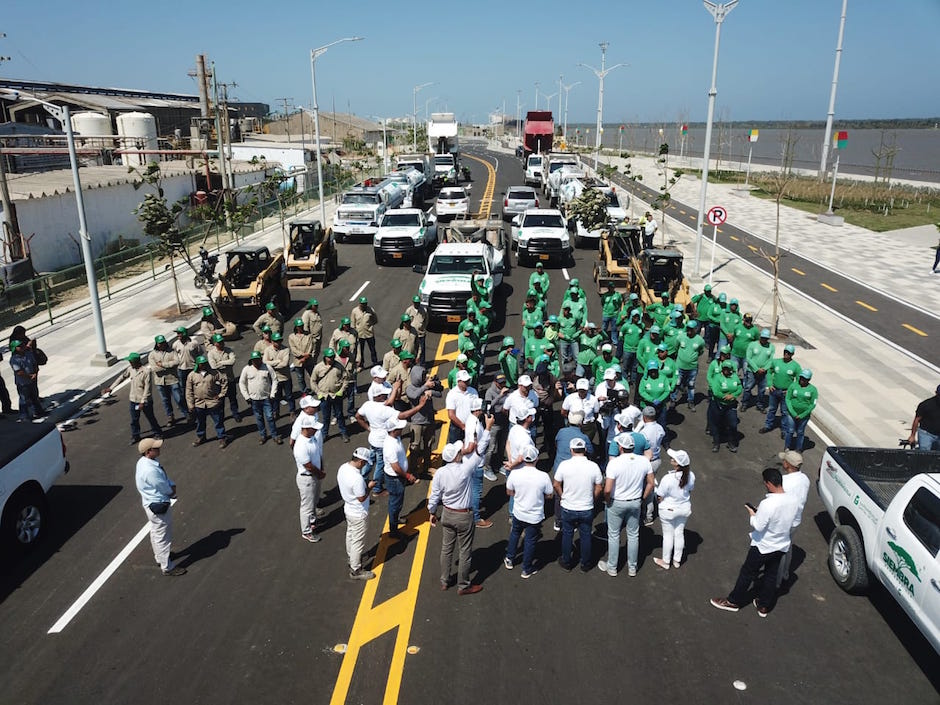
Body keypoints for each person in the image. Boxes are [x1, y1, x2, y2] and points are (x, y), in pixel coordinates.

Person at [710, 468, 800, 617]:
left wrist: (752, 514)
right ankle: (763, 605)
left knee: (747, 573)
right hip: (781, 545)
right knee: (771, 575)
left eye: (765, 483)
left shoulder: (768, 503)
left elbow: (758, 525)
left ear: (769, 483)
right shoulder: (794, 500)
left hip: (763, 546)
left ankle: (733, 601)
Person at [428, 441, 485, 595]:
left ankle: (444, 581)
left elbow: (434, 496)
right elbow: (480, 451)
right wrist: (486, 429)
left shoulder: (440, 473)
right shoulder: (465, 469)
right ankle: (463, 585)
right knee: (465, 551)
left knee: (446, 548)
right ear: (456, 456)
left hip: (447, 513)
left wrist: (432, 512)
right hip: (464, 515)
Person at [598, 432, 654, 577]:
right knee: (634, 534)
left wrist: (607, 500)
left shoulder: (614, 463)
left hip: (617, 502)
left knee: (614, 535)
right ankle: (632, 567)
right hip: (635, 501)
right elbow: (651, 483)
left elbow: (608, 489)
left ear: (620, 447)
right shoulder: (644, 461)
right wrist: (643, 497)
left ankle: (612, 567)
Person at [134, 438, 185, 576]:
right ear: (148, 451)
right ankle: (167, 566)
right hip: (158, 504)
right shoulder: (150, 470)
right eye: (155, 448)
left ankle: (160, 557)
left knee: (156, 532)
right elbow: (162, 486)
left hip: (150, 502)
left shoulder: (143, 463)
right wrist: (172, 491)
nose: (159, 449)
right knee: (163, 536)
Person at [553, 437, 603, 573]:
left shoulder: (564, 465)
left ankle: (566, 561)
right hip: (586, 507)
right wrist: (592, 499)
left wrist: (563, 495)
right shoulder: (593, 466)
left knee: (567, 534)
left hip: (568, 507)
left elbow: (556, 484)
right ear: (585, 450)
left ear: (571, 450)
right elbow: (599, 487)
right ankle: (585, 564)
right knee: (586, 535)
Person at [504, 445, 553, 579]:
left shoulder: (515, 473)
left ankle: (509, 558)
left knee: (515, 534)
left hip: (519, 512)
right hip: (534, 515)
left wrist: (520, 495)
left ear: (524, 459)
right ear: (536, 459)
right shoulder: (543, 476)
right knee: (530, 541)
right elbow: (549, 495)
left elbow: (509, 492)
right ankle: (526, 569)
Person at [104, 352, 162, 444]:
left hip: (144, 401)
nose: (129, 363)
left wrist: (142, 402)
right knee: (134, 420)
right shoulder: (130, 369)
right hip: (133, 400)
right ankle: (136, 435)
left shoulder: (146, 372)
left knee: (150, 417)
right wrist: (111, 388)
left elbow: (147, 388)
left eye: (130, 361)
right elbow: (121, 377)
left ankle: (158, 433)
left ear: (135, 361)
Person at [653, 448, 695, 570]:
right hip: (684, 509)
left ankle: (666, 561)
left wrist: (659, 500)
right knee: (679, 533)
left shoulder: (668, 478)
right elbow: (690, 489)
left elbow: (660, 494)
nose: (671, 459)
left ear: (677, 464)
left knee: (668, 536)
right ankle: (677, 560)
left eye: (674, 459)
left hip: (668, 510)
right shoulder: (691, 476)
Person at [338, 448, 377, 580]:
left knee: (350, 535)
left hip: (348, 508)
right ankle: (356, 569)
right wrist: (370, 487)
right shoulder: (357, 478)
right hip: (358, 513)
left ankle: (351, 557)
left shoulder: (343, 468)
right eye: (365, 463)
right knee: (358, 541)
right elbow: (361, 497)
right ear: (360, 461)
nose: (365, 465)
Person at [777, 450, 809, 586]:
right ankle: (785, 573)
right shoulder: (805, 479)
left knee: (778, 552)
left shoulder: (784, 481)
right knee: (788, 546)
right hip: (796, 520)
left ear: (787, 464)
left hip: (784, 521)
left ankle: (776, 581)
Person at [384, 417, 420, 540]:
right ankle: (393, 530)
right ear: (393, 430)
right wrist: (408, 476)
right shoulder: (390, 446)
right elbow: (395, 467)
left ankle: (395, 520)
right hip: (395, 479)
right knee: (395, 504)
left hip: (397, 478)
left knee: (396, 503)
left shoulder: (396, 438)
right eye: (399, 428)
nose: (402, 429)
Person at [405, 363, 443, 477]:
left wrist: (431, 391)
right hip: (417, 422)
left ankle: (427, 466)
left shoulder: (426, 385)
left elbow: (439, 393)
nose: (425, 377)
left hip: (429, 420)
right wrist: (425, 387)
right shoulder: (410, 388)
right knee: (415, 447)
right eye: (422, 375)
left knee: (429, 444)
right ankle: (412, 470)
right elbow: (414, 396)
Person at [293, 414, 326, 543]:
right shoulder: (301, 445)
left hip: (315, 476)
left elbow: (318, 454)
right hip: (307, 478)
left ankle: (312, 521)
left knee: (313, 502)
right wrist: (320, 474)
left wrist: (321, 469)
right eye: (314, 428)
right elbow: (308, 466)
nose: (317, 430)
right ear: (306, 428)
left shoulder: (312, 438)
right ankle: (306, 531)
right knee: (307, 506)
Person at [185, 355, 229, 449]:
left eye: (205, 363)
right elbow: (189, 391)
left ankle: (221, 437)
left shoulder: (214, 373)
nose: (203, 365)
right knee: (200, 422)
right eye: (201, 364)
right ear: (198, 364)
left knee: (218, 421)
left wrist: (221, 394)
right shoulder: (192, 375)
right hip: (199, 403)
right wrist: (190, 404)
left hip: (212, 402)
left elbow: (224, 381)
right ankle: (201, 437)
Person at [238, 350, 280, 445]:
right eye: (254, 360)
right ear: (251, 360)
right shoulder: (246, 369)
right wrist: (246, 396)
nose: (256, 362)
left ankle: (275, 435)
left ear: (261, 359)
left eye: (258, 360)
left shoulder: (267, 367)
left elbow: (274, 379)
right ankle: (263, 435)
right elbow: (241, 383)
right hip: (254, 400)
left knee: (270, 417)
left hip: (266, 398)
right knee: (259, 418)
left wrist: (273, 393)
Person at [310, 348, 350, 442]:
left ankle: (343, 432)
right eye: (329, 357)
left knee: (339, 415)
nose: (331, 359)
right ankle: (324, 434)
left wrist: (341, 390)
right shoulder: (318, 367)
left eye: (332, 357)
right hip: (324, 396)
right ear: (325, 357)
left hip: (336, 395)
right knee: (325, 416)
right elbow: (313, 381)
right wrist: (318, 392)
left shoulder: (339, 366)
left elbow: (346, 378)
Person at [761, 344, 801, 435]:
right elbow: (769, 372)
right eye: (785, 352)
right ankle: (768, 425)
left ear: (792, 354)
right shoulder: (776, 362)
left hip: (786, 393)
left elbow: (798, 380)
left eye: (789, 353)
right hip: (774, 390)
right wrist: (770, 384)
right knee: (772, 409)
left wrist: (791, 390)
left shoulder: (796, 366)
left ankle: (784, 430)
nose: (786, 354)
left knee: (784, 412)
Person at [708, 361, 742, 453]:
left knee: (733, 424)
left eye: (728, 368)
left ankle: (730, 442)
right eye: (725, 368)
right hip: (718, 404)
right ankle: (716, 443)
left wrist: (733, 396)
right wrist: (725, 397)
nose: (727, 370)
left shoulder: (734, 377)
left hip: (731, 405)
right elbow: (715, 392)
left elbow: (739, 388)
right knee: (716, 423)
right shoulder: (717, 377)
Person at [150, 335, 185, 425]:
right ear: (157, 344)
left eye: (163, 343)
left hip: (173, 379)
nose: (162, 345)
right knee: (165, 400)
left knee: (179, 399)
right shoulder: (152, 355)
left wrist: (162, 365)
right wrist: (169, 366)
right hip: (160, 381)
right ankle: (170, 416)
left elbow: (177, 362)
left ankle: (186, 413)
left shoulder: (171, 351)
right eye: (160, 343)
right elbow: (154, 369)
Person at [207, 333, 242, 422]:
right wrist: (226, 363)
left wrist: (221, 363)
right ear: (215, 343)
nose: (222, 343)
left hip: (230, 379)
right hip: (219, 381)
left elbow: (232, 361)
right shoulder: (211, 353)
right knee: (220, 400)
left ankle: (235, 413)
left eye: (222, 341)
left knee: (233, 398)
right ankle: (221, 416)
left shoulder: (228, 350)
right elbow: (213, 366)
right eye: (219, 342)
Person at [674, 321, 706, 411]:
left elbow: (701, 351)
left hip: (692, 367)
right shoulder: (680, 337)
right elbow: (676, 347)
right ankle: (673, 400)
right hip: (680, 366)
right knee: (677, 384)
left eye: (691, 329)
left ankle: (690, 401)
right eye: (688, 329)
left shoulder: (700, 340)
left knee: (691, 385)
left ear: (696, 329)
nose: (689, 331)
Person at [8, 339, 44, 421]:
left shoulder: (29, 354)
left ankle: (39, 411)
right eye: (19, 346)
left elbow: (35, 364)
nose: (22, 347)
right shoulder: (14, 359)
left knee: (35, 397)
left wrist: (35, 373)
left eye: (22, 345)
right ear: (15, 349)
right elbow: (19, 372)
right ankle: (24, 416)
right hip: (22, 383)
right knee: (24, 399)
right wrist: (30, 376)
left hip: (32, 380)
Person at [783, 369, 817, 452]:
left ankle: (799, 448)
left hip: (804, 416)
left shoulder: (813, 390)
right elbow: (788, 399)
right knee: (790, 430)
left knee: (800, 432)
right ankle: (787, 446)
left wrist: (802, 415)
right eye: (801, 378)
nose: (802, 380)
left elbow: (813, 404)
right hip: (791, 414)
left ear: (808, 380)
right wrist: (793, 413)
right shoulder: (793, 386)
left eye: (804, 379)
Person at [742, 328, 775, 412]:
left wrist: (764, 369)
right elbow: (748, 358)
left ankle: (759, 404)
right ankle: (745, 403)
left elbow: (770, 360)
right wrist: (756, 369)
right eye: (763, 338)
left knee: (762, 389)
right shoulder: (752, 345)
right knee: (748, 387)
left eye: (766, 338)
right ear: (760, 337)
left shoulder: (771, 347)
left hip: (764, 372)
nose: (764, 340)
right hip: (752, 371)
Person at [172, 327, 203, 412]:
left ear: (184, 333)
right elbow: (175, 356)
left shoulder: (194, 343)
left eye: (179, 333)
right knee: (183, 387)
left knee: (196, 385)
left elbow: (200, 354)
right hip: (182, 369)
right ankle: (186, 403)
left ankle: (198, 401)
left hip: (193, 368)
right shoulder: (175, 344)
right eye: (177, 333)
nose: (178, 335)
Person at [445, 370, 479, 443]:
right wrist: (463, 426)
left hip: (471, 426)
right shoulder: (452, 394)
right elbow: (451, 414)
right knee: (456, 450)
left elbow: (477, 409)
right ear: (458, 381)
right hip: (456, 428)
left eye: (468, 380)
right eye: (465, 381)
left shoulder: (473, 391)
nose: (467, 382)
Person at [908, 383, 940, 451]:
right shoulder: (926, 404)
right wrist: (912, 436)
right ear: (936, 393)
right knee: (925, 453)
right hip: (926, 433)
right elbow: (917, 420)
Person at [288, 318, 315, 394]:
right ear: (296, 327)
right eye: (299, 326)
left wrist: (306, 357)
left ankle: (316, 389)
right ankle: (304, 391)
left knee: (313, 376)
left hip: (308, 359)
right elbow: (293, 349)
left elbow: (310, 347)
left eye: (302, 325)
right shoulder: (291, 337)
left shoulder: (308, 335)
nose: (301, 327)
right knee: (300, 378)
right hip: (298, 361)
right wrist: (303, 355)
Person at [351, 296, 379, 368]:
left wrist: (370, 326)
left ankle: (375, 362)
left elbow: (375, 320)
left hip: (369, 333)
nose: (364, 305)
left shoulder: (370, 310)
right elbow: (353, 323)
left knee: (372, 349)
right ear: (359, 304)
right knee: (360, 350)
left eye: (365, 303)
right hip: (359, 334)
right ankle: (361, 364)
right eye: (362, 304)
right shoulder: (355, 311)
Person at [404, 295, 428, 366]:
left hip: (421, 333)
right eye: (415, 302)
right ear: (413, 302)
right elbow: (405, 321)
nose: (417, 304)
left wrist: (422, 328)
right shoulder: (409, 310)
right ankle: (412, 364)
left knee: (422, 350)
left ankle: (422, 365)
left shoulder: (424, 310)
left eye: (418, 302)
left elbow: (426, 320)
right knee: (413, 349)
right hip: (412, 334)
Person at [600, 282, 623, 347]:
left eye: (612, 287)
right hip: (606, 314)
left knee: (614, 329)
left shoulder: (617, 295)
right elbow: (602, 303)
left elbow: (620, 303)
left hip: (614, 314)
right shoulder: (605, 295)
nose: (611, 288)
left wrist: (616, 308)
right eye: (610, 287)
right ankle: (603, 340)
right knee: (604, 328)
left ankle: (614, 341)